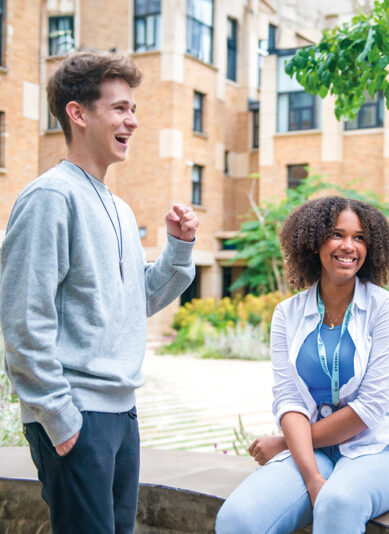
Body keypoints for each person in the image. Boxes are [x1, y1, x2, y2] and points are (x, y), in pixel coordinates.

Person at [0, 50, 198, 534]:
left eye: (133, 109)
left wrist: (179, 248)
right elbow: (23, 320)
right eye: (120, 108)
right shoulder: (50, 198)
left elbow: (136, 302)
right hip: (77, 414)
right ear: (78, 112)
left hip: (120, 412)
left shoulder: (120, 208)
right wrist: (58, 417)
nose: (133, 120)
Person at [215, 196, 389, 533]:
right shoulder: (287, 314)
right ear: (313, 242)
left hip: (378, 449)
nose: (349, 246)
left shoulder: (384, 309)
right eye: (337, 234)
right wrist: (311, 476)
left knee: (338, 503)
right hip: (313, 455)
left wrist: (284, 443)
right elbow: (289, 399)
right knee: (239, 518)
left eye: (360, 237)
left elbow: (371, 407)